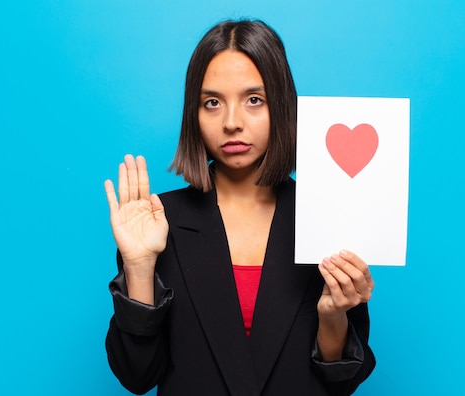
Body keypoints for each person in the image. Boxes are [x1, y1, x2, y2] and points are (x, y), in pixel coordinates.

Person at [104, 19, 376, 396]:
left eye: (254, 100)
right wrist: (138, 267)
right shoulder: (155, 224)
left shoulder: (327, 216)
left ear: (281, 106)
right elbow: (138, 376)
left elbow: (341, 381)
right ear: (194, 115)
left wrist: (333, 318)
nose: (232, 123)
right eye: (212, 103)